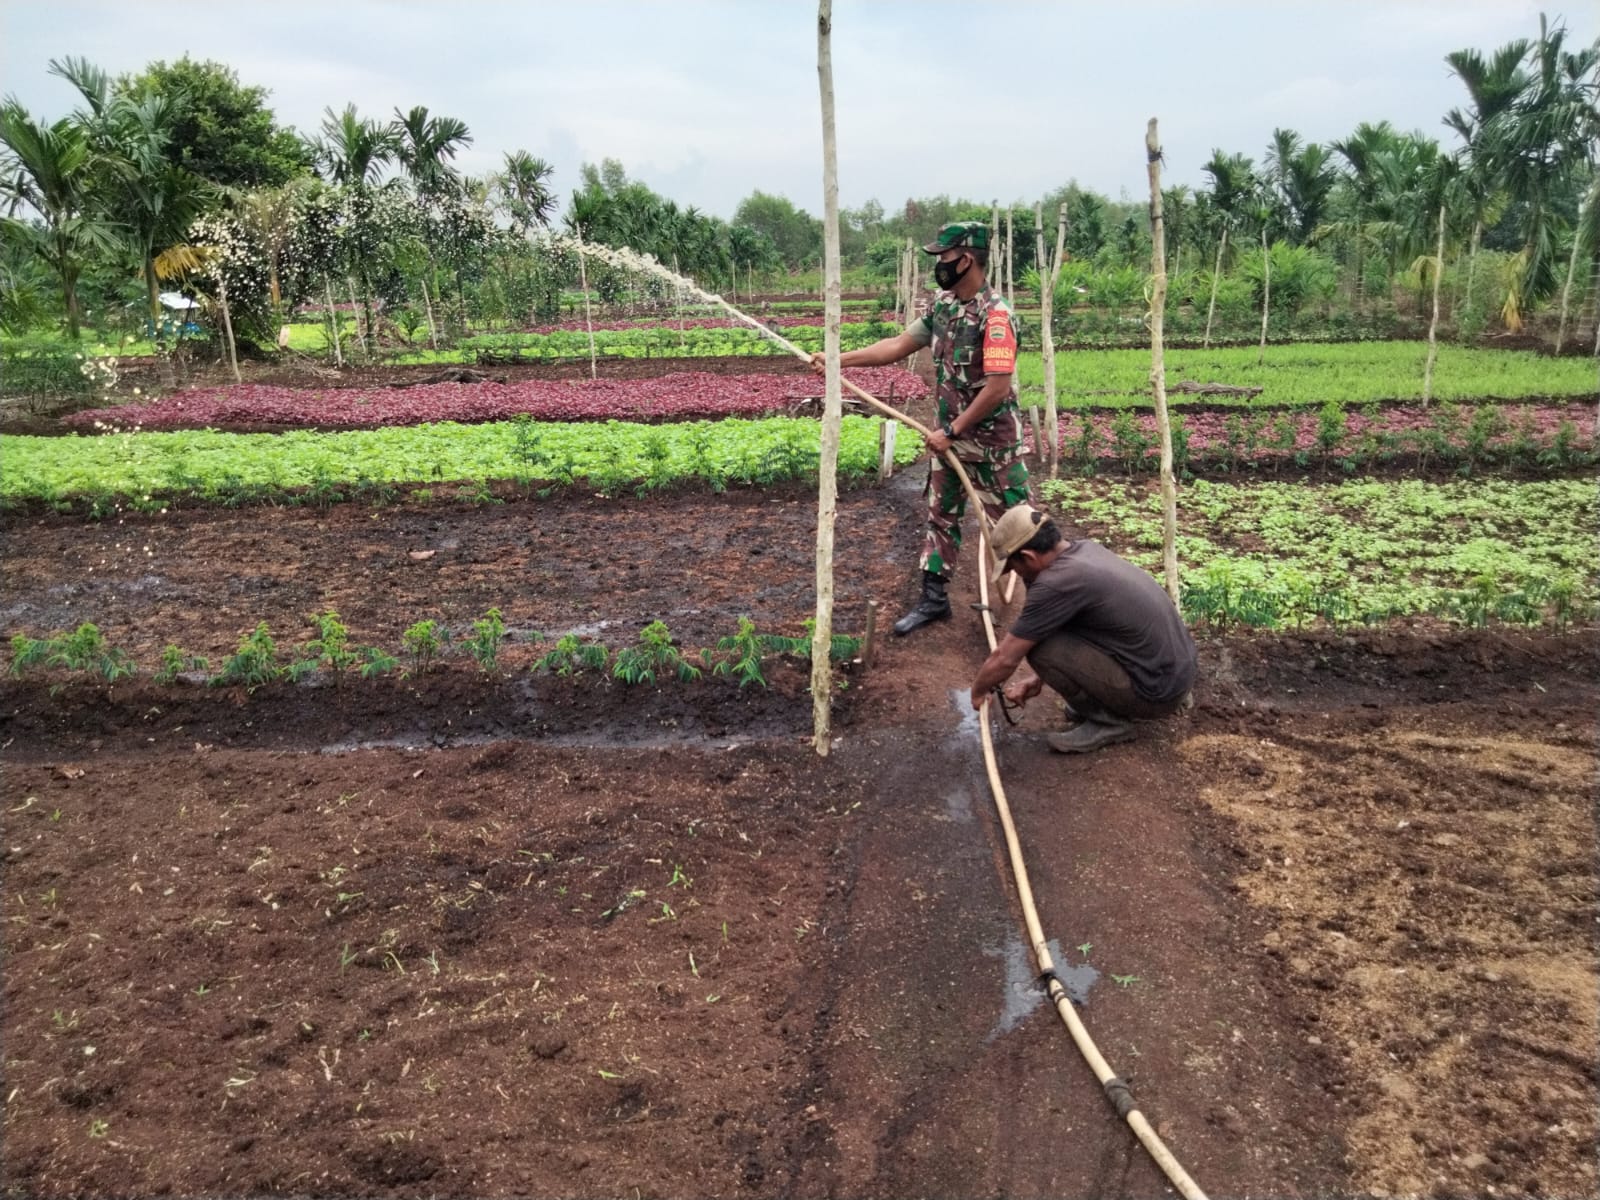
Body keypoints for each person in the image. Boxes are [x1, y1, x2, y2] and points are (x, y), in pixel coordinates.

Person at [811, 221, 1030, 635]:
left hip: (991, 446)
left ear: (966, 259)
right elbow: (896, 346)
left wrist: (954, 429)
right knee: (940, 516)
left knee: (1016, 526)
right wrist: (838, 359)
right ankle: (934, 599)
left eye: (945, 257)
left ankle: (1050, 605)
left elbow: (998, 388)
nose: (940, 265)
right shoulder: (943, 307)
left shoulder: (995, 316)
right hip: (948, 439)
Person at [969, 505, 1197, 754]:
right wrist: (1038, 679)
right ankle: (1109, 702)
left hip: (1157, 692)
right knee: (1048, 635)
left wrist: (979, 691)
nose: (1017, 574)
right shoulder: (1085, 550)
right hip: (1176, 674)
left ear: (1029, 557)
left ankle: (1110, 722)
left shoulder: (1056, 583)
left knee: (1040, 649)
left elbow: (1005, 658)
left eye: (1014, 568)